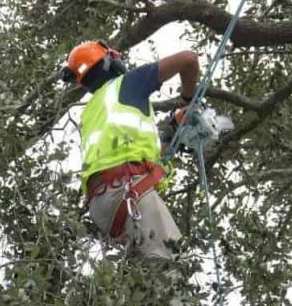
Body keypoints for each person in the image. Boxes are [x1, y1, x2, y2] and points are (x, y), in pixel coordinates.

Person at [62, 40, 199, 259]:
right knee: (170, 266)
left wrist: (171, 131)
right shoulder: (127, 84)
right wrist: (189, 101)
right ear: (109, 61)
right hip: (127, 190)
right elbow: (188, 59)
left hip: (102, 207)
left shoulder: (92, 113)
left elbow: (134, 159)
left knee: (147, 280)